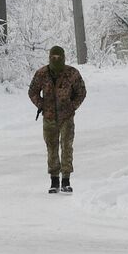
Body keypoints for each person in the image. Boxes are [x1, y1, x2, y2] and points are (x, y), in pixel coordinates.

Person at [27, 45, 87, 194]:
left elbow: (81, 92)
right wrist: (42, 105)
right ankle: (54, 180)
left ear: (63, 57)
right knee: (52, 148)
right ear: (49, 58)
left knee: (67, 147)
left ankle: (66, 180)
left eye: (59, 57)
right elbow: (32, 92)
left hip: (66, 117)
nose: (56, 60)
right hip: (49, 118)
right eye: (53, 57)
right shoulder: (42, 74)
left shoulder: (72, 73)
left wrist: (72, 106)